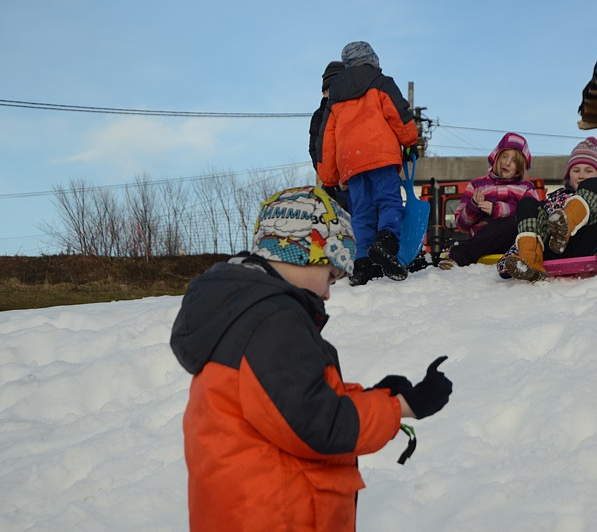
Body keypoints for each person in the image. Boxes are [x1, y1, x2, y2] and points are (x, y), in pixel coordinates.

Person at [170, 186, 453, 531]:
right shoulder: (270, 320)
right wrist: (403, 407)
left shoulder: (244, 315)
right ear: (305, 252)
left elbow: (292, 404)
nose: (328, 293)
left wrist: (375, 397)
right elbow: (318, 423)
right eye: (331, 274)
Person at [316, 41, 419, 286]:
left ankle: (361, 264)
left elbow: (326, 138)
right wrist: (410, 139)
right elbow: (398, 113)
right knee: (388, 201)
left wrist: (329, 176)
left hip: (351, 163)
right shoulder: (381, 82)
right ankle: (385, 243)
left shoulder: (336, 96)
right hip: (381, 154)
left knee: (361, 213)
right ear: (373, 59)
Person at [498, 137, 597, 281]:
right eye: (576, 170)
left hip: (585, 245)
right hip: (554, 249)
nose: (581, 175)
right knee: (527, 203)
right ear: (568, 175)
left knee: (593, 186)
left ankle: (567, 224)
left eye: (589, 171)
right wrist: (508, 261)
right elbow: (533, 227)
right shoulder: (555, 199)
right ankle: (529, 260)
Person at [438, 132, 541, 270]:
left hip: (513, 244)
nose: (507, 163)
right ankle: (457, 257)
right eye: (504, 156)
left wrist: (497, 209)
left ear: (520, 166)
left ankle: (459, 255)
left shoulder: (526, 188)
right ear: (496, 156)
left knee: (513, 223)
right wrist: (473, 206)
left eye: (514, 160)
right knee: (492, 228)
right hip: (482, 244)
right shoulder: (477, 185)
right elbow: (461, 225)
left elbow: (532, 217)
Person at [309, 60, 349, 211]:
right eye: (330, 88)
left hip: (355, 175)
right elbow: (315, 149)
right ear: (324, 92)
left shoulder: (353, 108)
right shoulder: (319, 116)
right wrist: (328, 176)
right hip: (332, 181)